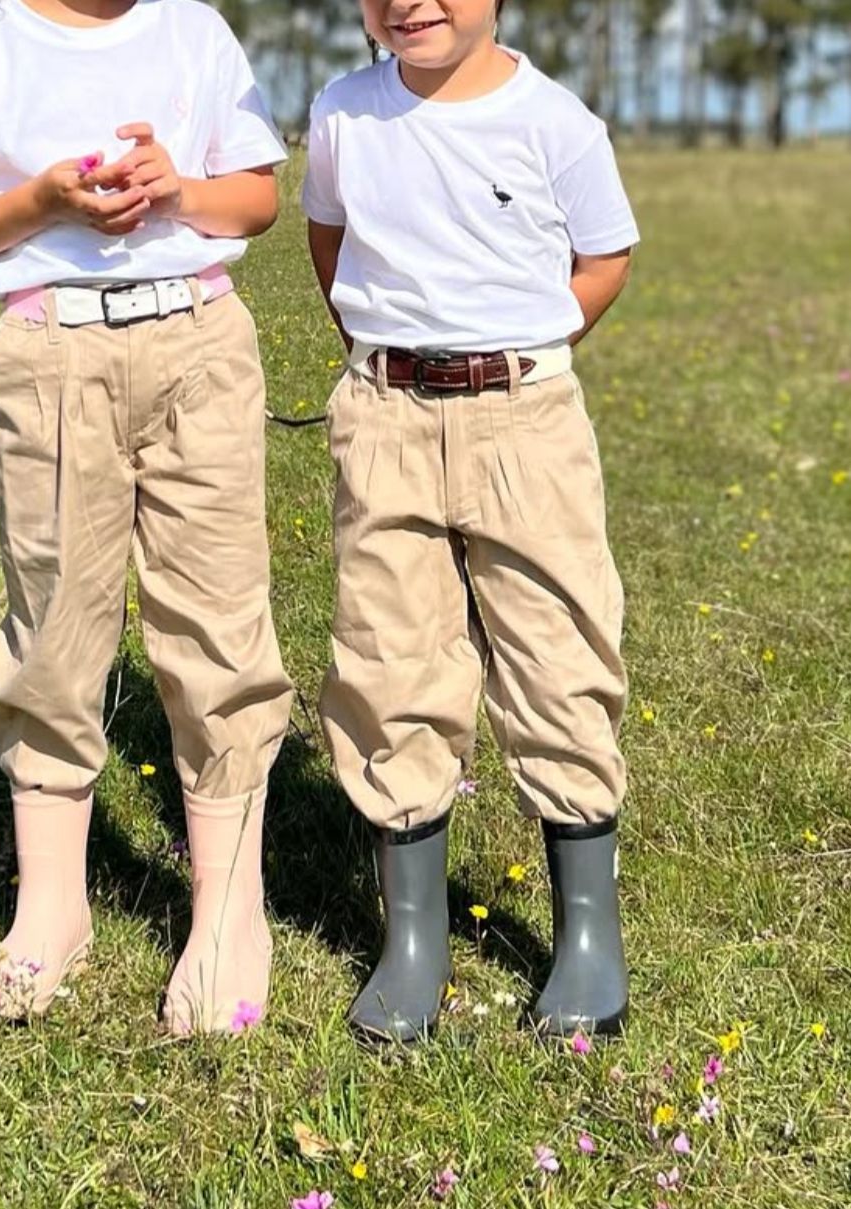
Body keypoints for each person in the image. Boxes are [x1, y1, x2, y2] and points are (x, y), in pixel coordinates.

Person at [0, 0, 293, 1034]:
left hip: (200, 341)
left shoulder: (195, 31)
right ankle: (52, 911)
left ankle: (227, 913)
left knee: (218, 622)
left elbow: (255, 200)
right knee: (54, 626)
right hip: (51, 353)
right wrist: (41, 203)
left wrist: (181, 189)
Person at [303, 0, 639, 1042]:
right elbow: (330, 240)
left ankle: (588, 933)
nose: (412, 3)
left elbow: (605, 257)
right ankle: (415, 942)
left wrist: (512, 348)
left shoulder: (556, 122)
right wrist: (399, 350)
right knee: (388, 652)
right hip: (386, 413)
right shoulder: (341, 115)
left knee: (558, 649)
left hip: (525, 420)